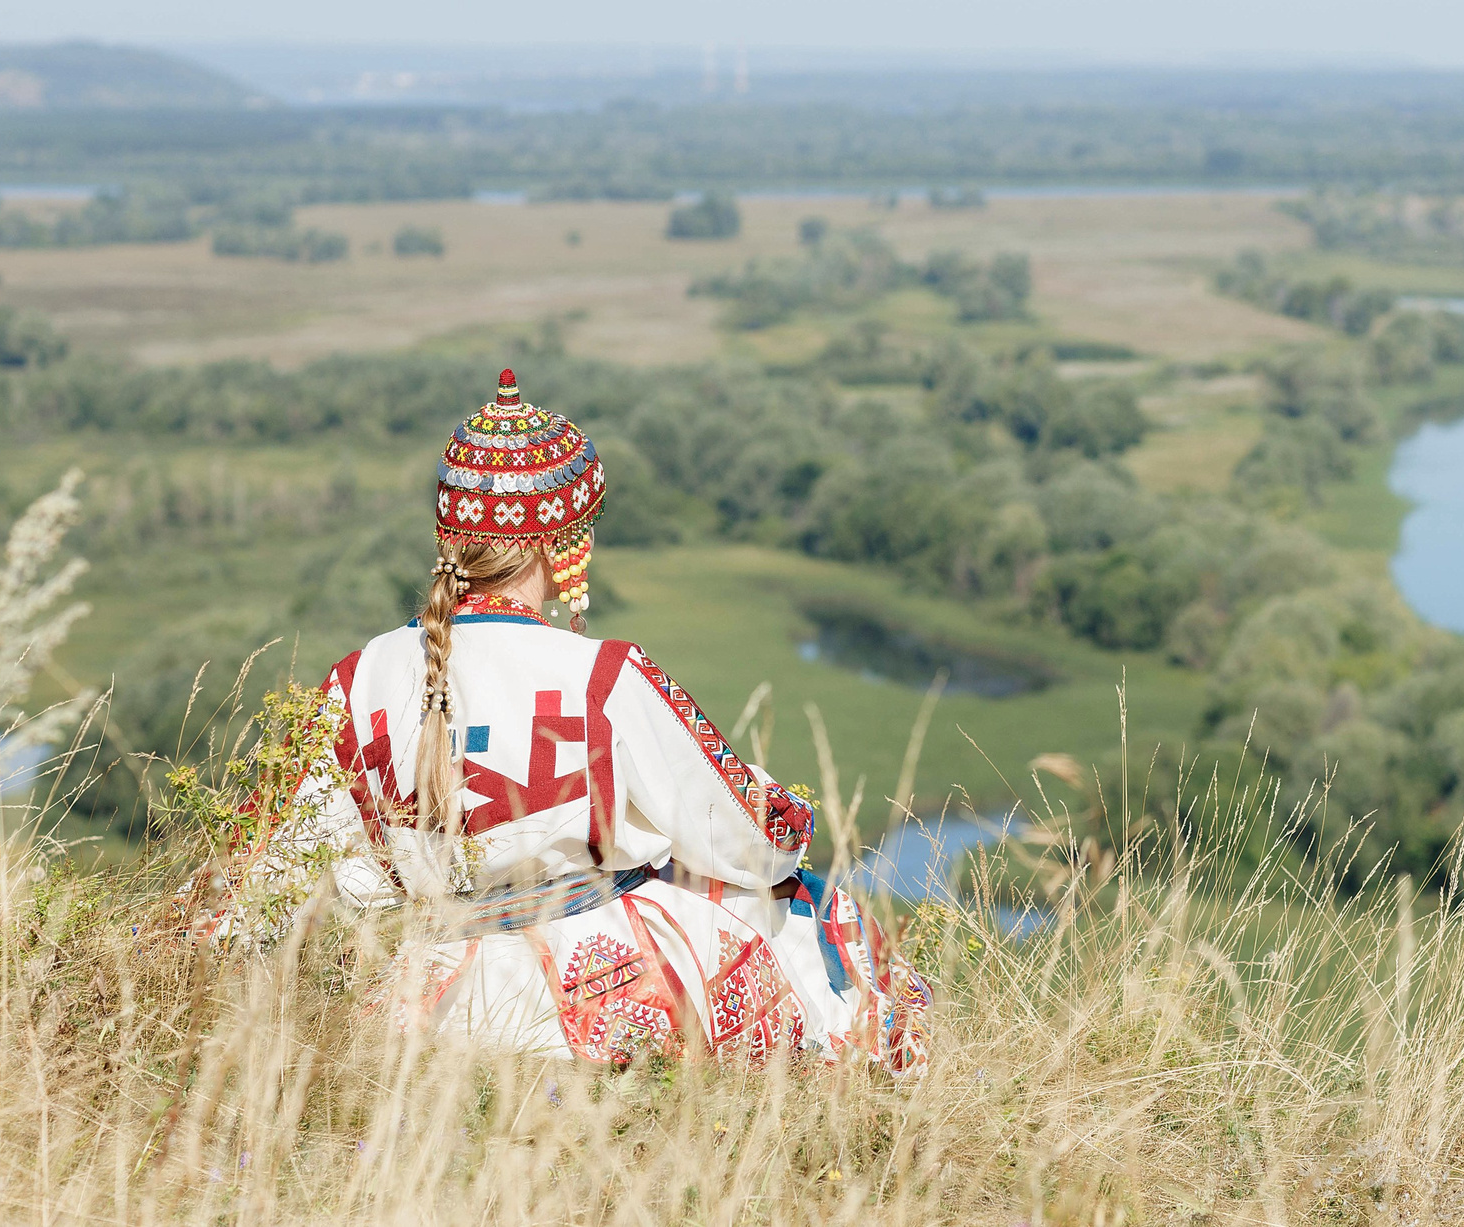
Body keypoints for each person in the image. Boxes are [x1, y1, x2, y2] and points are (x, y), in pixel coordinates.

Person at [197, 370, 928, 1074]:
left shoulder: (355, 679)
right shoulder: (603, 674)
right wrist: (782, 818)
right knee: (813, 909)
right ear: (564, 543)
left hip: (425, 999)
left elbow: (259, 875)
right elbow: (742, 835)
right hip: (592, 996)